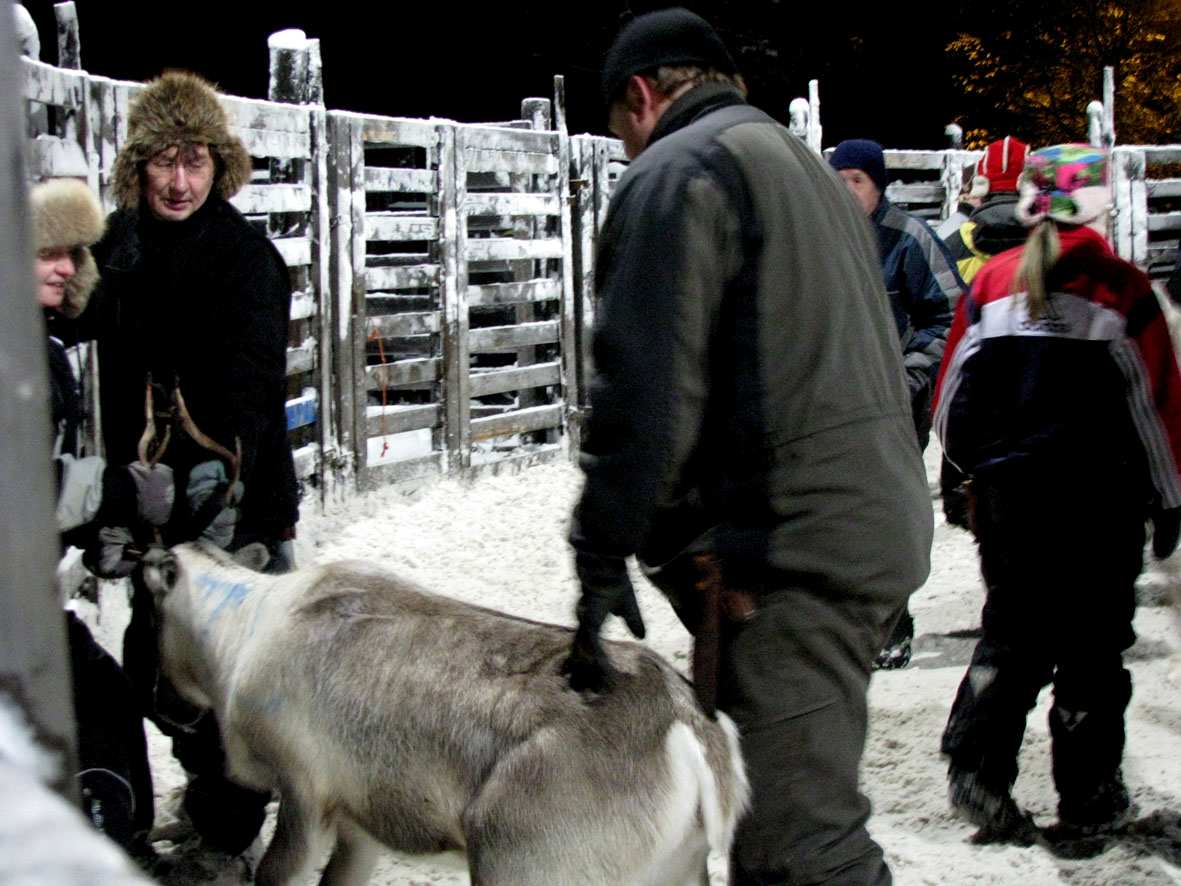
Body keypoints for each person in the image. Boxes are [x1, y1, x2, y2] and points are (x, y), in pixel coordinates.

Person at [563, 9, 932, 885]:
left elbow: (646, 390)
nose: (625, 152)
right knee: (788, 822)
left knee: (798, 848)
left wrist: (600, 552)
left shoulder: (679, 173)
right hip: (857, 522)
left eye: (620, 133)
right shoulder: (795, 163)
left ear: (641, 97)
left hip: (793, 555)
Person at [71, 70, 300, 855]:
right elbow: (58, 312)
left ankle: (232, 835)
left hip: (239, 499)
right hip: (148, 502)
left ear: (218, 167)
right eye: (162, 162)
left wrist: (241, 509)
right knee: (155, 669)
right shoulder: (117, 248)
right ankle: (213, 804)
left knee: (235, 684)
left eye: (194, 162)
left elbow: (257, 395)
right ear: (138, 167)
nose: (178, 181)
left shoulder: (245, 259)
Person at [932, 144, 1181, 844]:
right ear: (1097, 201)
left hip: (1010, 499)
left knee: (1010, 633)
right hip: (1099, 503)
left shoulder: (991, 284)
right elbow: (1153, 405)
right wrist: (1168, 499)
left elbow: (953, 397)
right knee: (1093, 648)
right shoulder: (1121, 289)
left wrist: (959, 477)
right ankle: (1088, 796)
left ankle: (976, 770)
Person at [31, 177, 158, 862]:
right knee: (90, 706)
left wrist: (91, 533)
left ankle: (119, 843)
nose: (63, 267)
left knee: (104, 699)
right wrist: (114, 491)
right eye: (45, 252)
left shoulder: (41, 347)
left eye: (73, 254)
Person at [829, 137, 960, 669]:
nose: (845, 192)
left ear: (877, 184)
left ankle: (891, 625)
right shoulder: (821, 239)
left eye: (855, 180)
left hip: (893, 405)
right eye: (837, 181)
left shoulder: (910, 239)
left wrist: (909, 375)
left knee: (887, 518)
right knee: (834, 514)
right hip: (832, 405)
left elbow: (948, 313)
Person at [939, 136, 1030, 529]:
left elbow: (943, 319)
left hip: (976, 400)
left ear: (982, 185)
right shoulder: (1054, 242)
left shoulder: (954, 242)